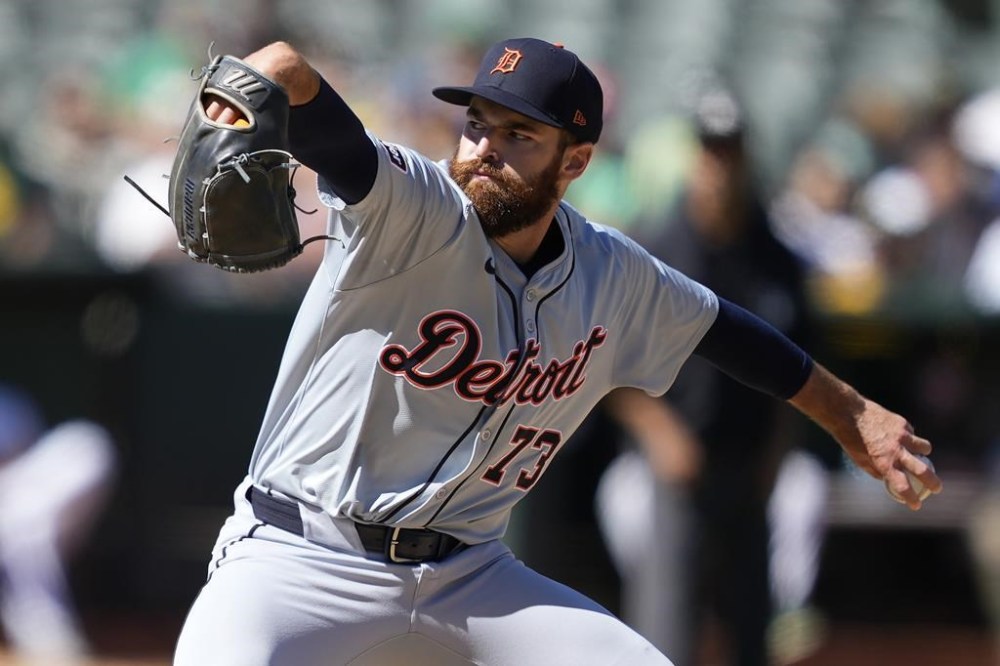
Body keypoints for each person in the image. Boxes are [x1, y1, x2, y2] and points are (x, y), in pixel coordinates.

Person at [171, 37, 942, 666]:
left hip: (467, 575)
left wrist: (855, 416)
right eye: (476, 122)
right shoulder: (412, 206)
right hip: (299, 557)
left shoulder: (613, 273)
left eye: (519, 134)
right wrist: (254, 83)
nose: (482, 149)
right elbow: (292, 77)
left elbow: (734, 335)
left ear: (575, 161)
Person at [596, 84, 818, 666]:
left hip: (749, 464)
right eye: (710, 149)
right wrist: (657, 429)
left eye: (730, 150)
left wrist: (777, 446)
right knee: (666, 630)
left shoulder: (775, 254)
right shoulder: (652, 246)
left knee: (752, 628)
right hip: (672, 468)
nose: (719, 164)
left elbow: (802, 360)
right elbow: (601, 356)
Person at [0, 383, 117, 662]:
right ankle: (44, 630)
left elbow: (18, 455)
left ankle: (44, 629)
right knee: (26, 531)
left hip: (23, 491)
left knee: (89, 441)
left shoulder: (8, 401)